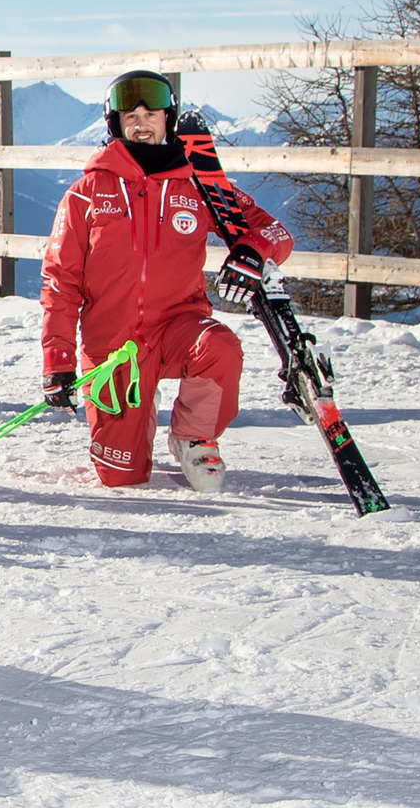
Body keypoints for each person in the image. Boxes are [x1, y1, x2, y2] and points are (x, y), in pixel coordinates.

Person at [40, 70, 292, 492]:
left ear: (168, 120)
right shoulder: (86, 192)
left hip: (178, 327)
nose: (141, 122)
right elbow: (59, 281)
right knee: (121, 477)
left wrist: (251, 253)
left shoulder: (200, 187)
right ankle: (138, 406)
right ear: (115, 124)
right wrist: (58, 359)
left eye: (151, 113)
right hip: (113, 347)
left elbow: (274, 231)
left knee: (220, 347)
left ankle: (192, 434)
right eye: (130, 115)